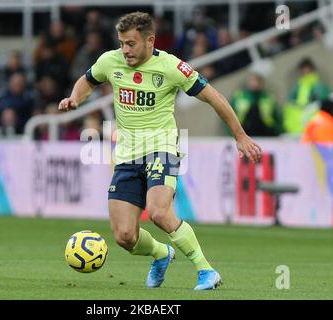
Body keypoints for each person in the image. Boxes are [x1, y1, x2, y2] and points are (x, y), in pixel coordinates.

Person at [58, 12, 261, 291]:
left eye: (131, 43)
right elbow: (88, 79)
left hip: (161, 150)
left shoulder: (171, 67)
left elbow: (213, 96)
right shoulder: (110, 61)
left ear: (150, 40)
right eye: (121, 43)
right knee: (124, 236)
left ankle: (206, 271)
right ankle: (161, 253)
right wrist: (75, 97)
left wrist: (239, 135)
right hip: (127, 156)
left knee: (158, 212)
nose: (125, 50)